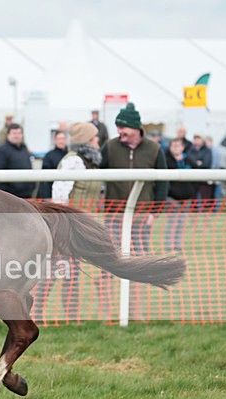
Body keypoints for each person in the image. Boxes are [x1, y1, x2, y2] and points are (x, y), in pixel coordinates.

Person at [99, 102, 168, 320]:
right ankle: (105, 315)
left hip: (141, 220)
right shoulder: (109, 147)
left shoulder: (155, 150)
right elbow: (97, 174)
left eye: (123, 127)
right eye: (117, 127)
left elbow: (163, 184)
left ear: (136, 128)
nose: (119, 131)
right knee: (108, 266)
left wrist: (154, 213)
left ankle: (136, 314)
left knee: (138, 266)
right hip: (114, 217)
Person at [33, 121, 102, 323]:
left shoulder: (88, 161)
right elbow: (60, 194)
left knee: (71, 274)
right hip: (67, 227)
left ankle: (72, 317)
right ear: (88, 141)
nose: (98, 140)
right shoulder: (73, 161)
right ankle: (37, 315)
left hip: (79, 227)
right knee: (57, 272)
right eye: (95, 137)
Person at [164, 137, 196, 253]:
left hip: (186, 198)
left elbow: (197, 177)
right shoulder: (166, 161)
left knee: (181, 223)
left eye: (178, 145)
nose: (176, 148)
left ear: (182, 147)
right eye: (173, 146)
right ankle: (169, 246)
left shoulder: (189, 161)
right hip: (172, 198)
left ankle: (178, 245)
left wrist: (192, 191)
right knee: (172, 223)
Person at [0, 123, 35, 198]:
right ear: (8, 135)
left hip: (27, 194)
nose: (17, 136)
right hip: (10, 196)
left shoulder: (24, 149)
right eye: (14, 133)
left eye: (19, 133)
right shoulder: (1, 151)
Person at [38, 130, 68, 198]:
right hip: (51, 191)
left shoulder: (69, 155)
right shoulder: (49, 156)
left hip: (66, 191)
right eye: (59, 139)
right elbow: (45, 179)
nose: (61, 141)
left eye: (63, 139)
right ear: (55, 140)